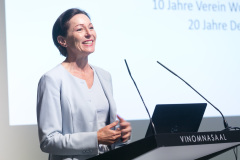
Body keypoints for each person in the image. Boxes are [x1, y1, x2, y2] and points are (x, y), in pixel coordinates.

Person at [36, 8, 131, 160]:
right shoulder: (51, 79)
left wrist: (121, 134)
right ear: (62, 41)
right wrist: (95, 138)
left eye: (91, 27)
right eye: (80, 29)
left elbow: (104, 131)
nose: (89, 33)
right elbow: (48, 141)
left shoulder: (104, 76)